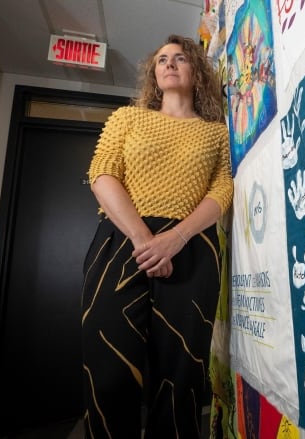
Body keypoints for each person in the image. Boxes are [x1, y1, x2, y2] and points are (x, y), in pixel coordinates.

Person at [81, 34, 232, 438]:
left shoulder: (217, 133)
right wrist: (146, 239)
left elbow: (222, 192)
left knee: (181, 375)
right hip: (122, 242)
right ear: (153, 73)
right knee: (109, 370)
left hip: (192, 249)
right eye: (161, 59)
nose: (168, 63)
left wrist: (177, 238)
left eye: (180, 58)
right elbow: (102, 174)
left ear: (196, 72)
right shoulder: (127, 118)